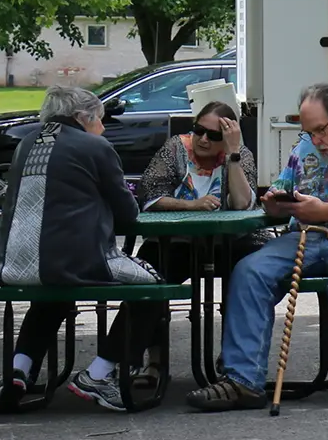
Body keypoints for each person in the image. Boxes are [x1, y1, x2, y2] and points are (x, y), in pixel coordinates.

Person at [185, 82, 328, 412]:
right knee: (250, 270)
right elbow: (281, 193)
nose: (314, 140)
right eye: (308, 132)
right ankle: (242, 380)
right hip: (306, 234)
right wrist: (276, 204)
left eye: (320, 131)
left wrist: (324, 210)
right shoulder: (304, 148)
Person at [64, 99, 261, 410]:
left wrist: (233, 155)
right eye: (199, 130)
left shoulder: (239, 155)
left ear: (229, 136)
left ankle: (237, 365)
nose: (204, 140)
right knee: (151, 276)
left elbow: (243, 204)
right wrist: (191, 205)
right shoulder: (175, 148)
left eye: (213, 135)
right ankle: (142, 364)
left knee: (254, 275)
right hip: (175, 241)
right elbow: (148, 195)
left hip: (231, 243)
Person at [0, 86, 159, 414]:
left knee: (56, 289)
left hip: (13, 264)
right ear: (83, 118)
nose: (103, 128)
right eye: (100, 121)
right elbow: (129, 214)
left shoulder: (25, 144)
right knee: (155, 289)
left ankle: (18, 371)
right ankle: (100, 373)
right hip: (77, 261)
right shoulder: (95, 146)